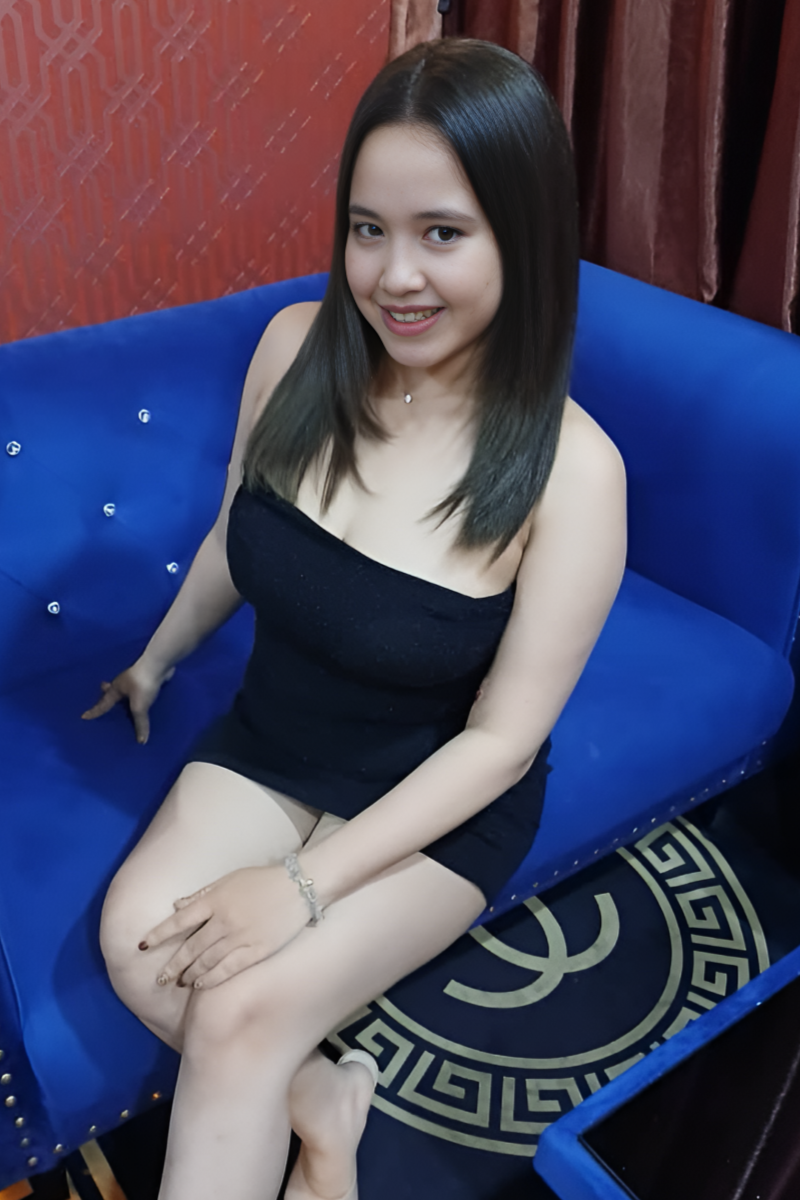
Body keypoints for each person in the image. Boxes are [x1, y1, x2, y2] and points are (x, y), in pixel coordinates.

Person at [84, 37, 626, 1200]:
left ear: (523, 238)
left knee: (238, 1010)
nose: (393, 275)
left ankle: (316, 1135)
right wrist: (156, 660)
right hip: (277, 737)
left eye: (442, 233)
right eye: (368, 228)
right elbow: (236, 537)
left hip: (435, 797)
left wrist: (301, 884)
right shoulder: (292, 351)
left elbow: (501, 741)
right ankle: (318, 1097)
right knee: (140, 942)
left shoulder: (573, 474)